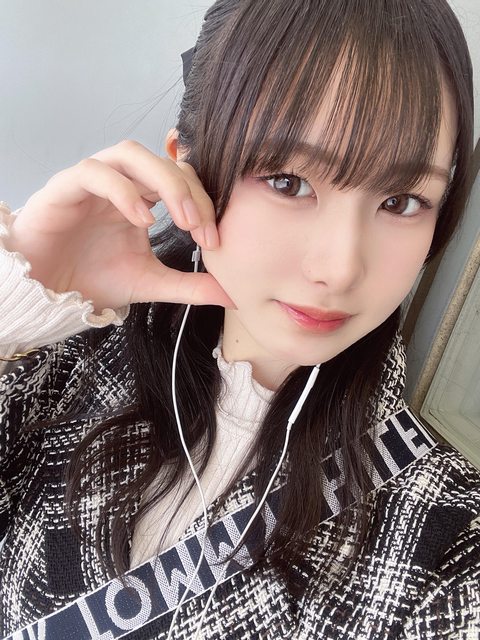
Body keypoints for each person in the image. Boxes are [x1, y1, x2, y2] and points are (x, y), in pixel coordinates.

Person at [1, 0, 479, 638]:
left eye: (401, 201)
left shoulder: (445, 546)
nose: (340, 268)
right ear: (188, 168)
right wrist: (19, 307)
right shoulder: (72, 365)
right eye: (287, 182)